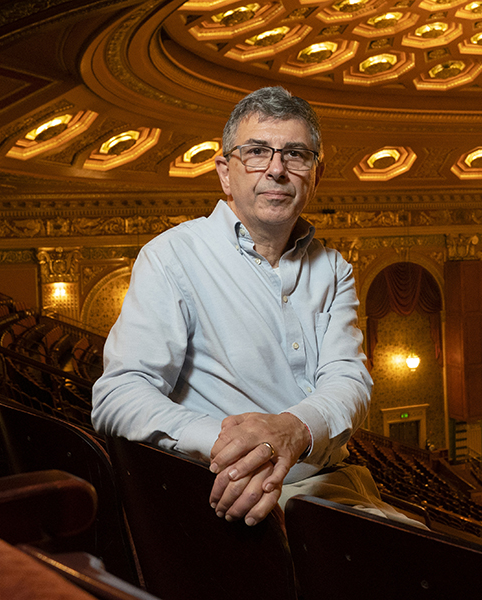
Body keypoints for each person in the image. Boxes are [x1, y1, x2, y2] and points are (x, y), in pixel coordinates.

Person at [92, 86, 403, 527]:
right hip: (232, 495)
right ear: (224, 172)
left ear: (316, 175)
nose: (277, 170)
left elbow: (348, 378)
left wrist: (294, 430)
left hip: (335, 486)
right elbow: (117, 397)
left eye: (295, 155)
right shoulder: (172, 256)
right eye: (257, 152)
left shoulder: (334, 268)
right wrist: (236, 447)